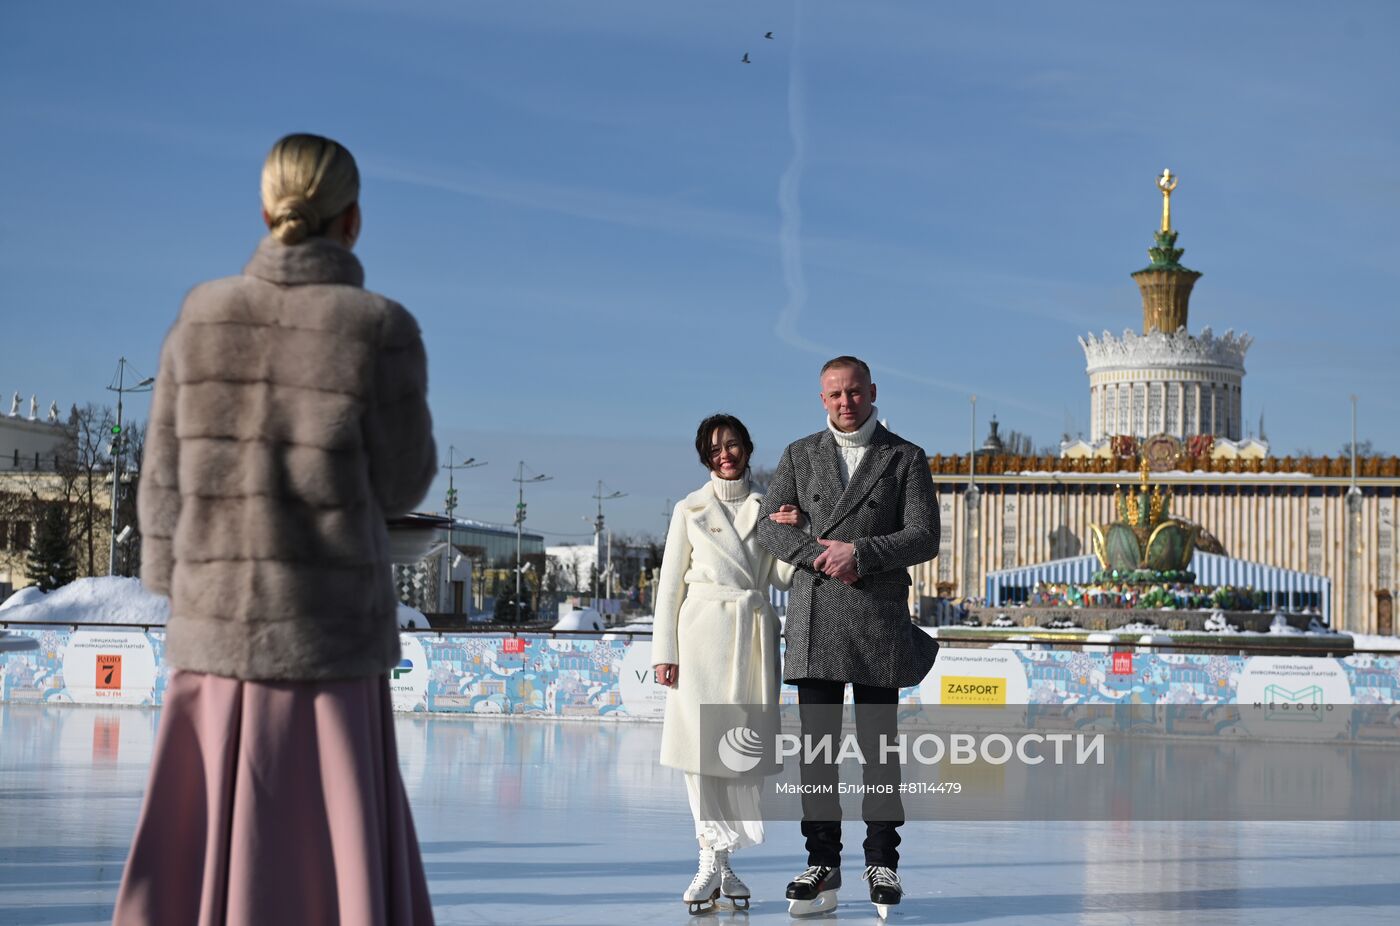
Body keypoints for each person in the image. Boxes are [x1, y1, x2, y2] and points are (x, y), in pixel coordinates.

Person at [113, 133, 437, 926]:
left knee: (205, 858)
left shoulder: (201, 316)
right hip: (328, 641)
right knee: (332, 862)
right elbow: (403, 481)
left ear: (265, 209)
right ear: (353, 219)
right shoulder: (378, 327)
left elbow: (159, 490)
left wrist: (190, 591)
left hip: (214, 642)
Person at [756, 355, 940, 919]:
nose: (845, 402)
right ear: (822, 399)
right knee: (818, 754)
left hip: (878, 621)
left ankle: (883, 861)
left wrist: (861, 553)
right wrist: (822, 554)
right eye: (834, 394)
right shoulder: (798, 455)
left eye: (854, 392)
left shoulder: (904, 457)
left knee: (880, 751)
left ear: (872, 392)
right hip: (815, 620)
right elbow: (766, 526)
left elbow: (925, 535)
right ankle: (822, 861)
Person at [651, 413, 801, 915]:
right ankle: (710, 860)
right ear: (704, 455)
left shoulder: (767, 506)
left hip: (751, 638)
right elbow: (669, 587)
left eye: (733, 444)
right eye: (715, 447)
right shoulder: (688, 509)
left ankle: (723, 862)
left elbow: (780, 577)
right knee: (700, 757)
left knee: (740, 759)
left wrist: (794, 527)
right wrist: (663, 653)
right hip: (699, 643)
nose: (725, 454)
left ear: (747, 448)